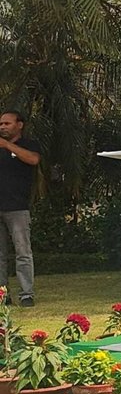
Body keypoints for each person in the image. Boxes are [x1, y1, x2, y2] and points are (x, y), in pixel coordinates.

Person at [0, 110, 41, 306]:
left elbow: (33, 160)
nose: (2, 127)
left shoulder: (28, 145)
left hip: (17, 208)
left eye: (7, 124)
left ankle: (26, 294)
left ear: (19, 125)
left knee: (23, 252)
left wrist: (7, 145)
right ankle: (2, 295)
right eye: (1, 124)